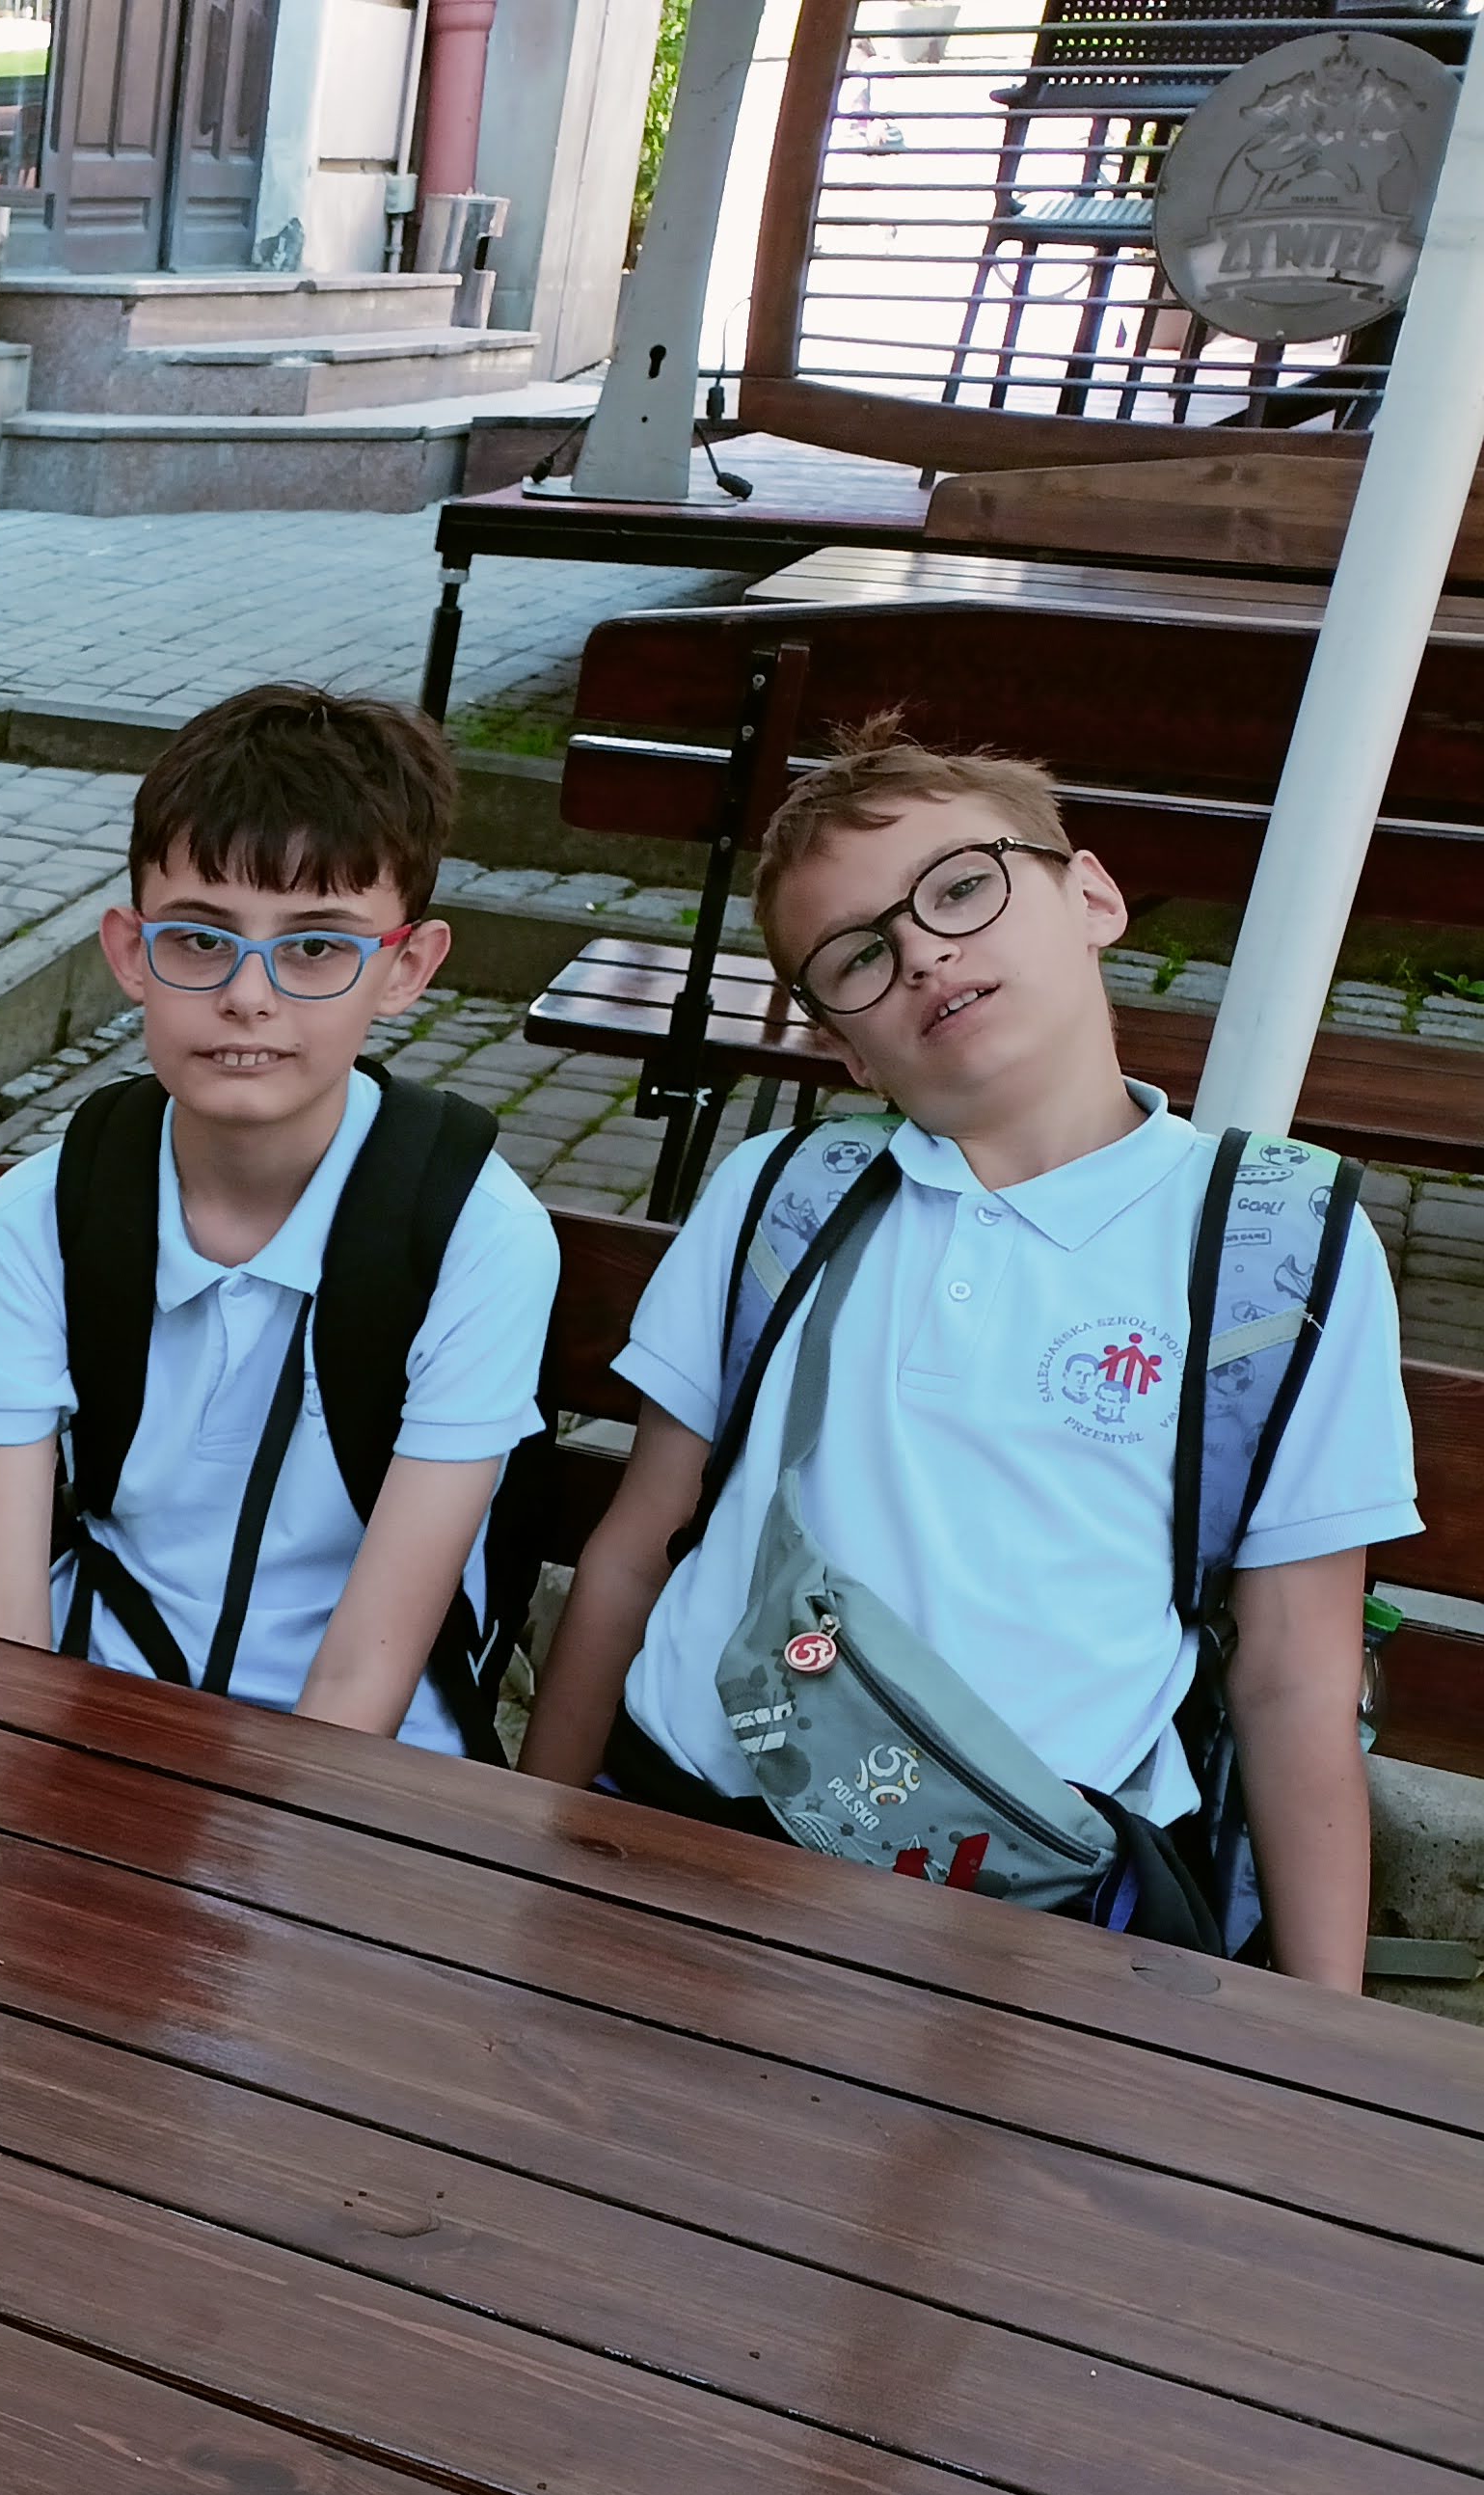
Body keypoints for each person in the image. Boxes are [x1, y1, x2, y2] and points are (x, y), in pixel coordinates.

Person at [521, 724, 1413, 1985]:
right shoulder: (783, 1196)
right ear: (845, 1048)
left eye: (958, 889)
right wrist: (525, 1851)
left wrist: (1320, 2037)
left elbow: (1294, 1676)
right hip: (681, 1838)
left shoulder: (1276, 1243)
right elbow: (637, 1548)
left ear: (1091, 897)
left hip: (1027, 1918)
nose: (923, 953)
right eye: (858, 956)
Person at [0, 685, 557, 1752]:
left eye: (316, 948)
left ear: (406, 968)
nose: (248, 996)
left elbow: (368, 1671)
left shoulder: (478, 1239)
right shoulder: (39, 1216)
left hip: (358, 1755)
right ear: (129, 952)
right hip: (90, 1714)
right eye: (199, 939)